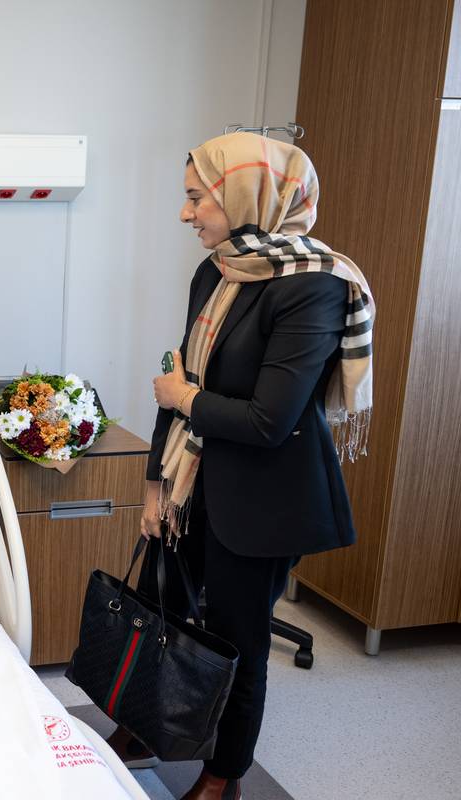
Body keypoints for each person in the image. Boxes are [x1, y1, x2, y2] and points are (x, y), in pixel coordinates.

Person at [111, 132, 375, 800]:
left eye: (197, 198)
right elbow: (180, 373)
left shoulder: (314, 287)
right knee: (167, 606)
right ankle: (154, 723)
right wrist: (154, 484)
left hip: (265, 498)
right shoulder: (221, 269)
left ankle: (223, 773)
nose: (185, 213)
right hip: (191, 481)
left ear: (245, 195)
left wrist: (187, 399)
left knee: (237, 641)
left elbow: (268, 420)